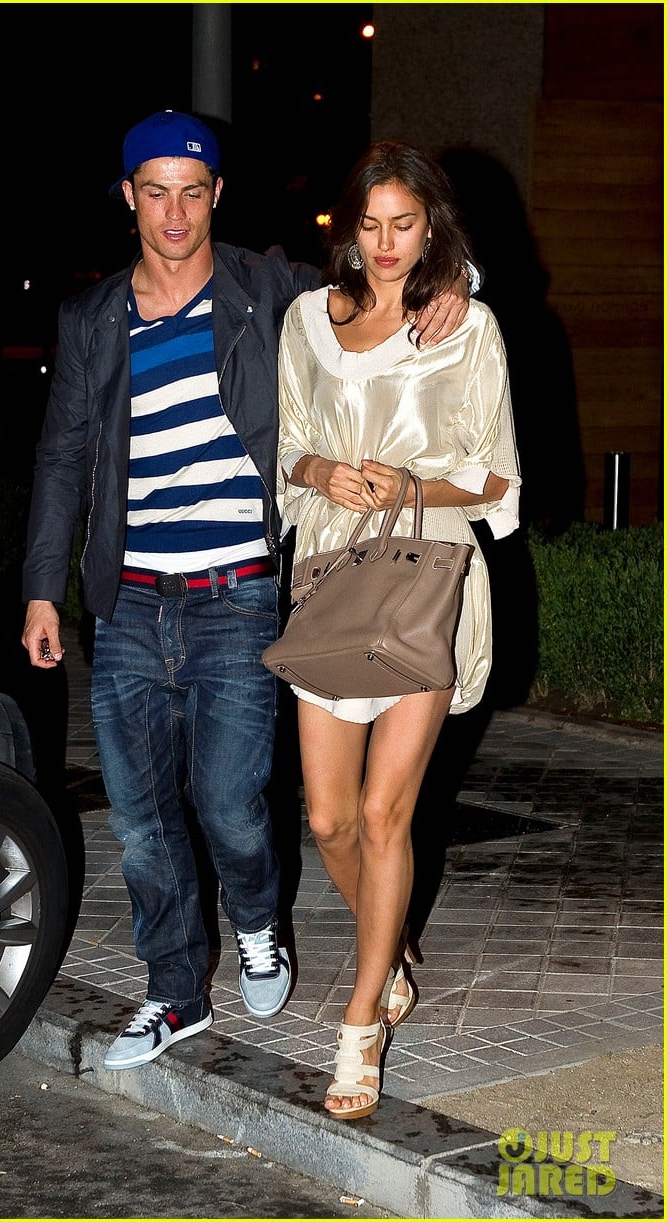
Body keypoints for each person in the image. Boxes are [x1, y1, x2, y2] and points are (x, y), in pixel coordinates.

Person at [20, 111, 472, 1072]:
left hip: (236, 595)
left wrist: (458, 283)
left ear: (216, 195)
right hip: (128, 600)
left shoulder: (267, 288)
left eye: (193, 191)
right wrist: (42, 590)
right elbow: (61, 458)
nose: (174, 211)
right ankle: (174, 995)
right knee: (142, 821)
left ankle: (258, 920)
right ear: (128, 197)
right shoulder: (91, 318)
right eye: (155, 191)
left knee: (229, 805)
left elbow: (383, 276)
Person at [276, 140, 521, 1120]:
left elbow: (495, 476)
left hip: (426, 582)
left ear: (432, 229)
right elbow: (289, 446)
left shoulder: (466, 327)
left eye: (404, 224)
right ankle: (391, 950)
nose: (384, 244)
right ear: (347, 228)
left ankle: (360, 1021)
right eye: (369, 224)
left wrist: (411, 486)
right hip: (331, 581)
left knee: (386, 816)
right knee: (329, 820)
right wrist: (321, 473)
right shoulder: (308, 319)